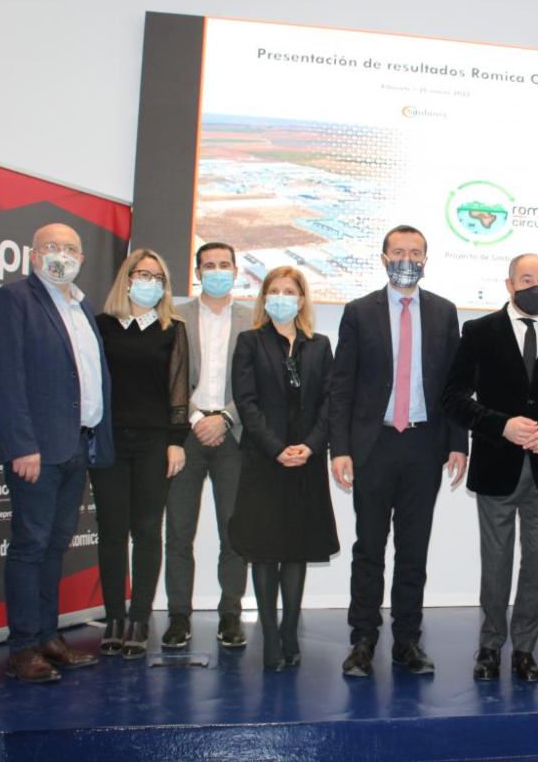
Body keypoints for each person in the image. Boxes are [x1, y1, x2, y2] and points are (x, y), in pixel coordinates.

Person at [443, 253, 538, 683]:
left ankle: (525, 648)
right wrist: (502, 426)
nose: (537, 286)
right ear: (509, 284)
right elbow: (453, 397)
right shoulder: (479, 331)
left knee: (537, 564)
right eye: (527, 278)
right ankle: (490, 646)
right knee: (495, 563)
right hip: (497, 465)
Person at [330, 225, 467, 677]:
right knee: (369, 547)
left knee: (413, 549)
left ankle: (408, 641)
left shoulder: (445, 313)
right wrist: (340, 447)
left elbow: (455, 386)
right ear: (383, 257)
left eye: (415, 252)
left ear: (426, 259)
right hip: (374, 444)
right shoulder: (358, 312)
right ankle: (362, 640)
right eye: (398, 251)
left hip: (425, 445)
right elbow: (342, 386)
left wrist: (457, 443)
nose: (407, 258)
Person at [0, 223, 113, 683]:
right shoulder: (15, 300)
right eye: (52, 247)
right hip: (37, 449)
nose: (62, 255)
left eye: (71, 249)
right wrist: (22, 444)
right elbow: (5, 376)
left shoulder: (81, 306)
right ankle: (22, 649)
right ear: (33, 255)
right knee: (30, 544)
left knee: (55, 545)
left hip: (76, 444)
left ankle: (46, 635)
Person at [229, 266, 338, 671]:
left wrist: (309, 447)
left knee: (296, 548)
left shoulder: (320, 345)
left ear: (302, 299)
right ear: (264, 299)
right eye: (273, 291)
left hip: (305, 463)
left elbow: (331, 402)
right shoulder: (250, 342)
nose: (281, 297)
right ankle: (271, 636)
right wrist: (277, 448)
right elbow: (246, 401)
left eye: (289, 291)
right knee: (264, 549)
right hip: (264, 460)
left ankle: (291, 630)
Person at [88, 249, 190, 660]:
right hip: (109, 440)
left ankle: (140, 618)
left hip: (153, 441)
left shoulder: (172, 328)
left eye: (157, 277)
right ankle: (114, 618)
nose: (149, 281)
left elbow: (178, 390)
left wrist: (175, 442)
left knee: (148, 531)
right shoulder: (101, 326)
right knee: (112, 531)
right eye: (142, 274)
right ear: (126, 279)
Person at [162, 242, 254, 651]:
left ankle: (230, 614)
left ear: (235, 271)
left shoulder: (253, 320)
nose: (217, 271)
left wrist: (226, 418)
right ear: (197, 271)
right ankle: (178, 616)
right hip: (185, 437)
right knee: (178, 531)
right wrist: (197, 418)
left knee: (235, 531)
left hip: (233, 436)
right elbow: (165, 379)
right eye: (209, 265)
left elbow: (257, 385)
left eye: (224, 265)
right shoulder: (175, 315)